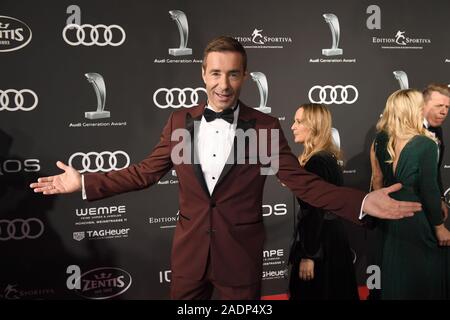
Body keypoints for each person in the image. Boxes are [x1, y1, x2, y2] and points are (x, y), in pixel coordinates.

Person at [30, 36, 421, 300]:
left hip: (240, 257)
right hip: (188, 259)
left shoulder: (264, 126)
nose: (224, 83)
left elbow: (301, 182)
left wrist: (362, 203)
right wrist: (84, 182)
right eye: (216, 73)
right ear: (203, 74)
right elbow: (144, 173)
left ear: (244, 76)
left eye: (233, 73)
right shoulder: (179, 122)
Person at [371, 89, 450, 299]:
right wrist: (440, 227)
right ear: (415, 109)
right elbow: (429, 189)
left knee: (394, 273)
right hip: (415, 216)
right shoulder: (425, 144)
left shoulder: (380, 139)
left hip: (388, 214)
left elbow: (377, 181)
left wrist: (378, 213)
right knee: (423, 275)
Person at [288, 103, 358, 300]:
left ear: (314, 126)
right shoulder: (328, 157)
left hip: (320, 245)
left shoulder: (317, 162)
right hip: (331, 239)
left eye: (298, 122)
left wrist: (310, 255)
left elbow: (315, 212)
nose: (292, 126)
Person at [422, 84, 450, 221]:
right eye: (439, 106)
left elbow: (435, 169)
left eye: (447, 107)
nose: (444, 112)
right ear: (423, 105)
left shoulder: (438, 130)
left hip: (431, 204)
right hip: (410, 207)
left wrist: (440, 198)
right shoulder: (409, 130)